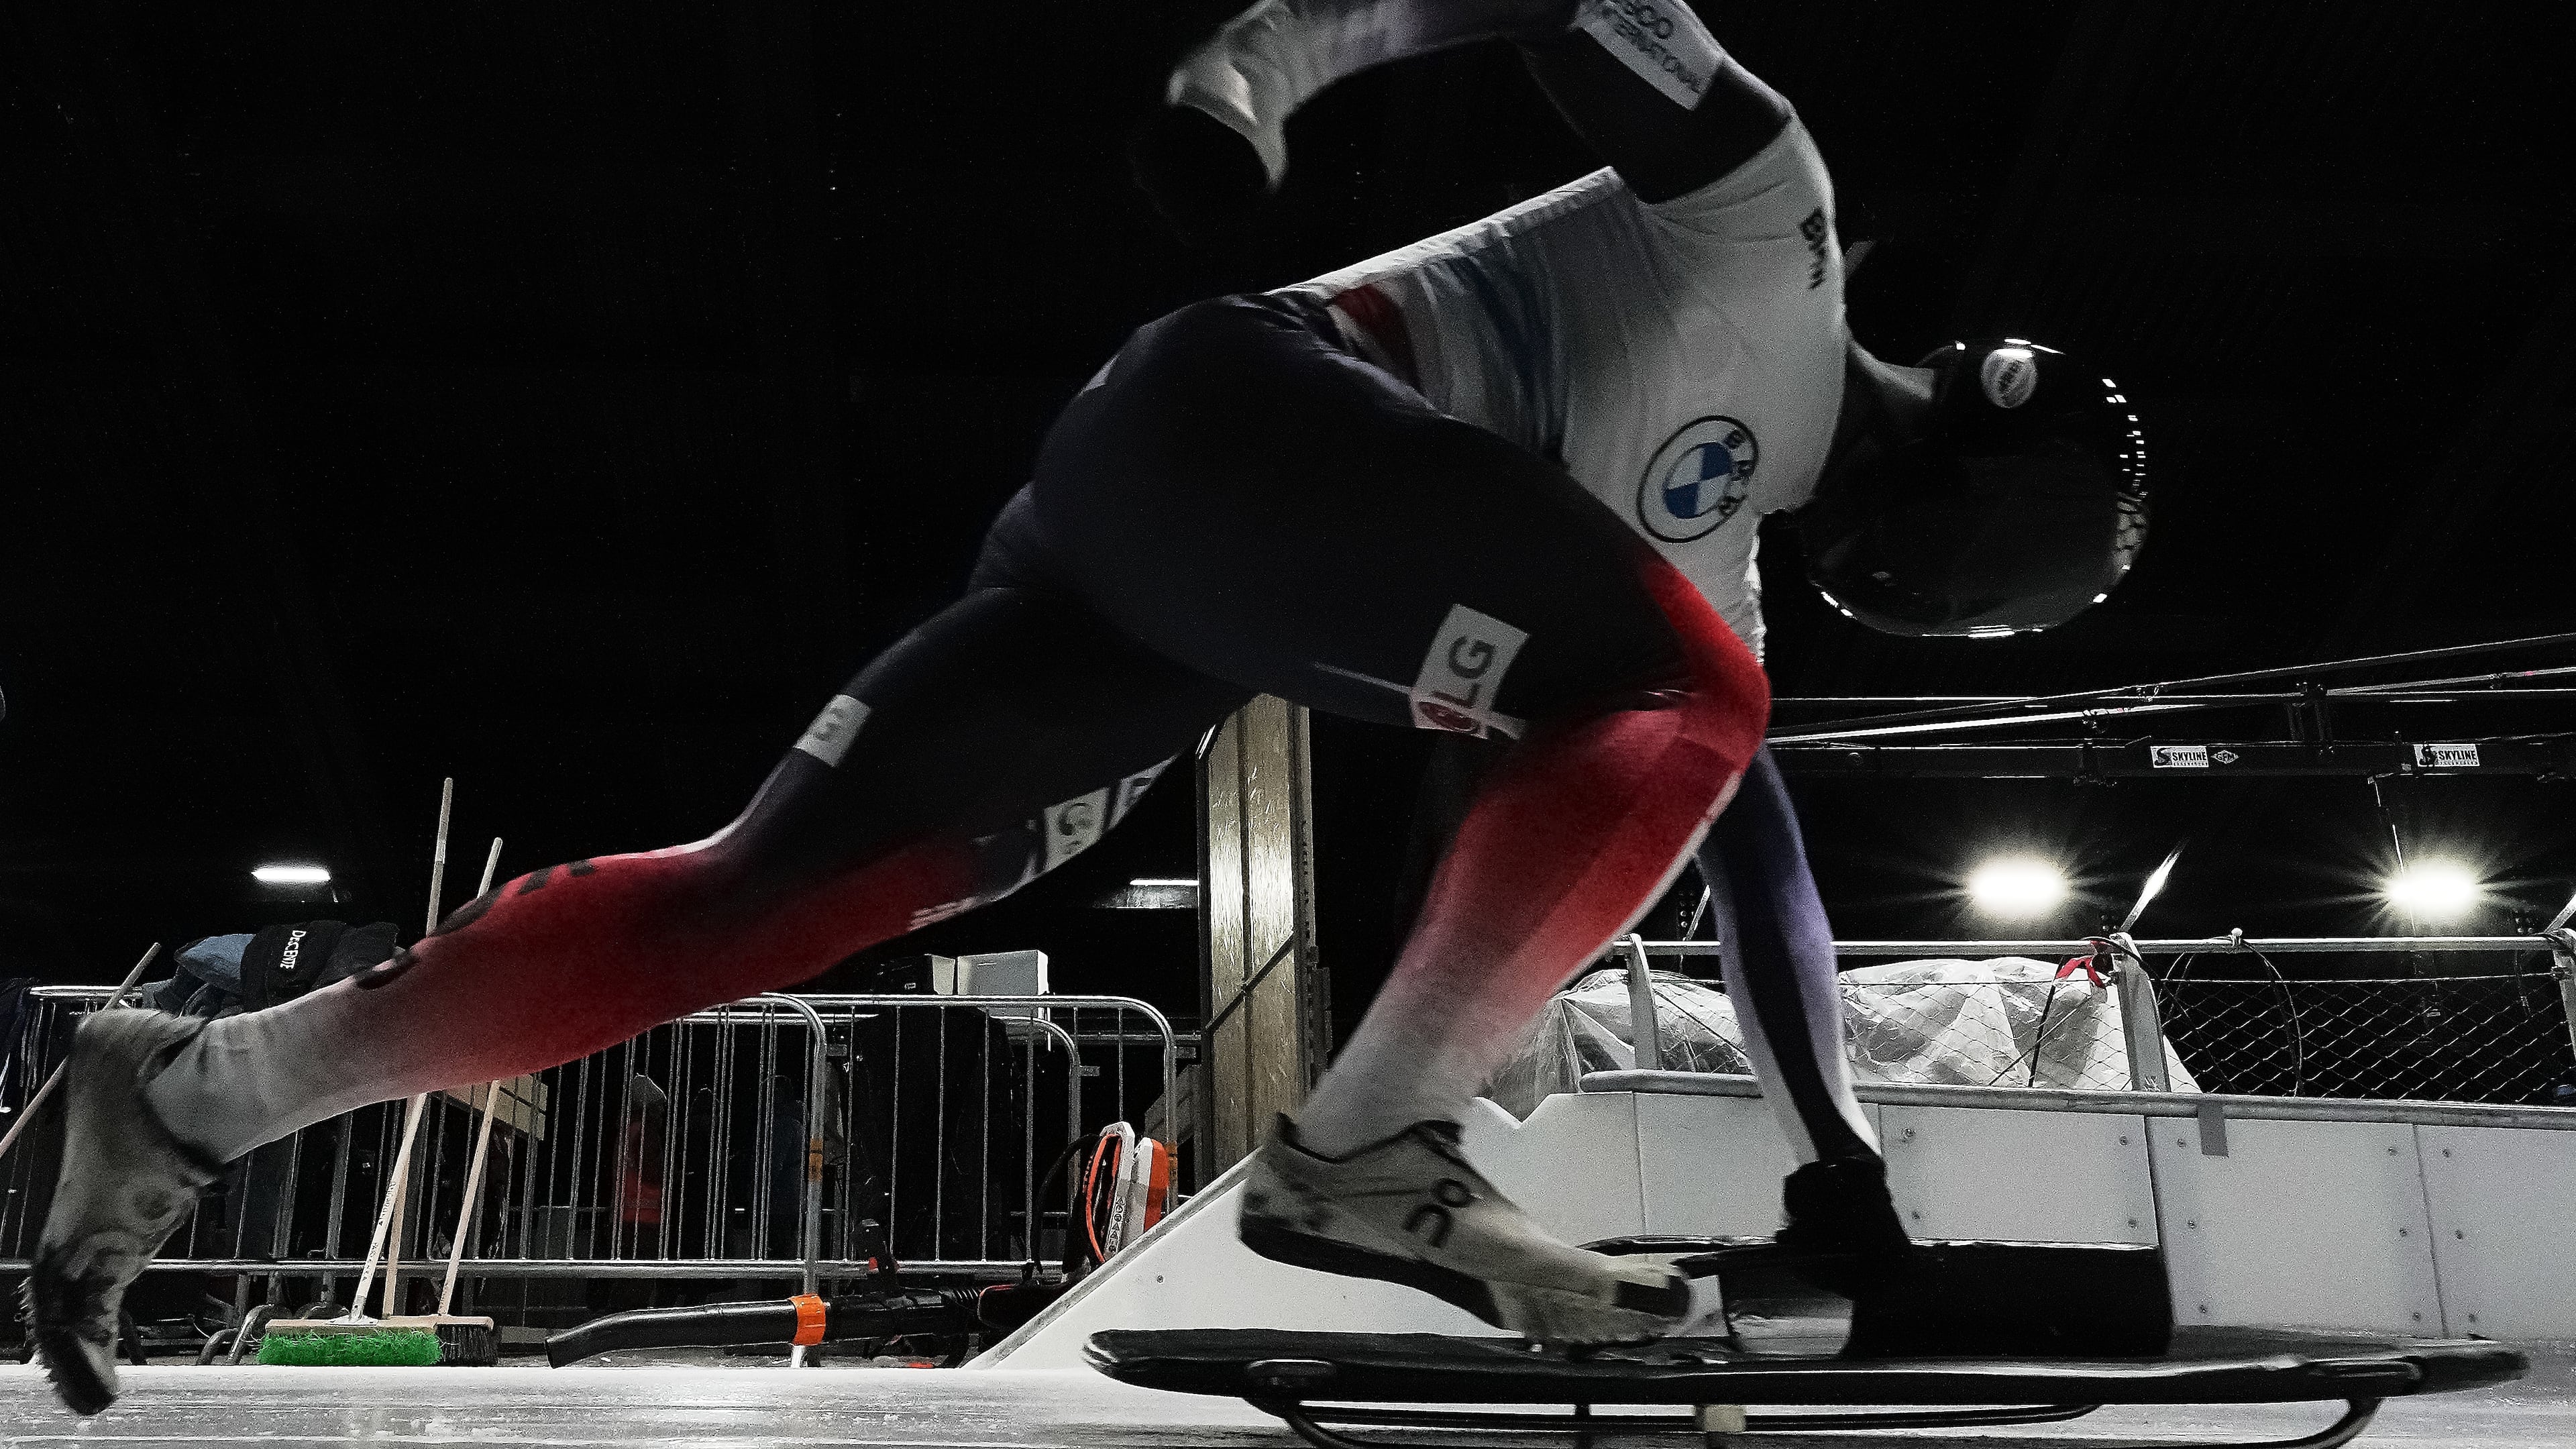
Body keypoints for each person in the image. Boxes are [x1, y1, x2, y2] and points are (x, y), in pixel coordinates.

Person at [28, 0, 2143, 1413]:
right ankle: (1372, 1149)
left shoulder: (1718, 582)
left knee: (753, 903)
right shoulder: (1775, 228)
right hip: (1250, 414)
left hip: (1152, 561)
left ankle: (195, 1091)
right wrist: (1265, 64)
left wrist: (1845, 1168)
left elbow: (1722, 843)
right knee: (1692, 700)